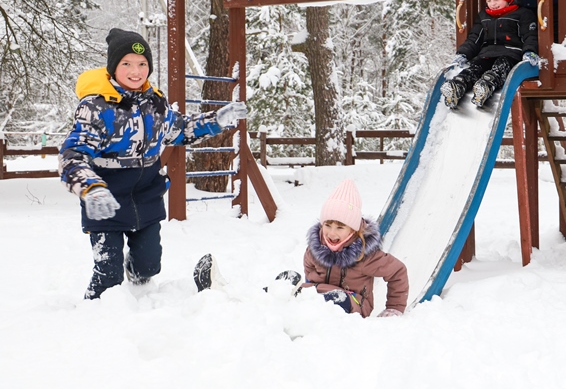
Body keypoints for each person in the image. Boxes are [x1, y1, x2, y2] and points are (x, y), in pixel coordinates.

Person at [59, 28, 248, 299]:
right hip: (107, 197)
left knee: (148, 266)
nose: (136, 71)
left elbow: (180, 129)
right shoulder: (96, 107)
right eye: (126, 64)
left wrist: (216, 120)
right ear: (113, 68)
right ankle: (96, 310)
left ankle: (141, 297)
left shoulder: (155, 103)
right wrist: (90, 187)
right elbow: (72, 154)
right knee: (109, 274)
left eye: (142, 64)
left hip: (146, 195)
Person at [277, 179, 408, 318]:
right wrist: (309, 289)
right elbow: (309, 271)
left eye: (340, 227)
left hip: (352, 301)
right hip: (319, 292)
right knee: (293, 283)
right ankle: (280, 293)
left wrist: (394, 307)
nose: (331, 233)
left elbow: (397, 271)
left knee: (336, 298)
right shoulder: (315, 249)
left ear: (353, 230)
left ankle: (303, 299)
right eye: (327, 225)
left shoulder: (366, 256)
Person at [441, 0, 540, 109]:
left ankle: (486, 86)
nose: (493, 4)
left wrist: (530, 51)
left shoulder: (522, 14)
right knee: (475, 67)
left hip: (510, 54)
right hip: (486, 54)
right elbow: (474, 38)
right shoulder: (484, 16)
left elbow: (529, 35)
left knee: (501, 66)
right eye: (489, 0)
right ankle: (458, 85)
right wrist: (463, 54)